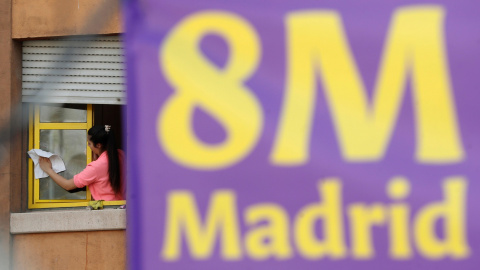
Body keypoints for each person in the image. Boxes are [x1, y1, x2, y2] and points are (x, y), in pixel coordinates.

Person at [39, 125, 125, 201]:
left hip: (107, 210)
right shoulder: (121, 154)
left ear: (98, 145)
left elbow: (68, 185)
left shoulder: (95, 167)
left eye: (89, 143)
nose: (88, 146)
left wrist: (48, 170)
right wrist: (95, 156)